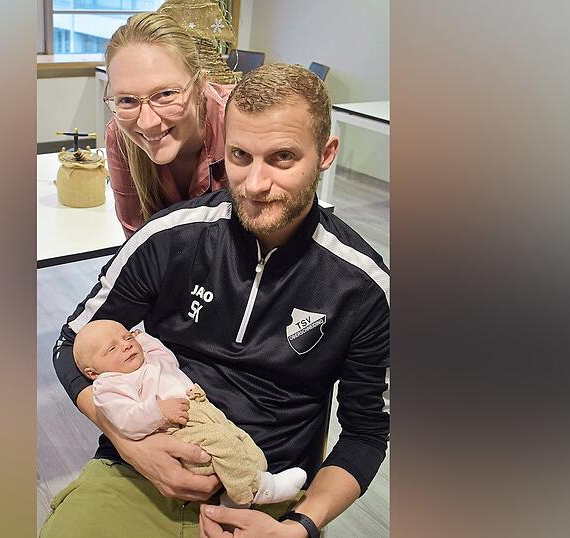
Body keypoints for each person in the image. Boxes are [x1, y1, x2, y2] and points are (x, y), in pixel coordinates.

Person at [43, 63, 390, 538]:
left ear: (326, 154)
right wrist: (128, 442)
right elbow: (70, 345)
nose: (255, 183)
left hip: (265, 495)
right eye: (240, 155)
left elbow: (366, 433)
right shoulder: (170, 238)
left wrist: (300, 527)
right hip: (137, 470)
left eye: (282, 158)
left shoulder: (363, 286)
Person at [73, 319, 308, 507]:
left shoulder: (149, 360)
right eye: (112, 348)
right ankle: (259, 489)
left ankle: (236, 498)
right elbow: (126, 420)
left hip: (199, 405)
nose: (126, 345)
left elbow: (168, 358)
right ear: (93, 373)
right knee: (222, 444)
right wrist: (159, 411)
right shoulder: (110, 384)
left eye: (127, 337)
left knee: (241, 441)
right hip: (174, 426)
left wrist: (142, 337)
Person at [102, 12, 233, 238]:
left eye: (165, 94)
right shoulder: (120, 137)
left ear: (200, 83)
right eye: (127, 100)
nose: (147, 122)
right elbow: (140, 248)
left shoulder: (240, 123)